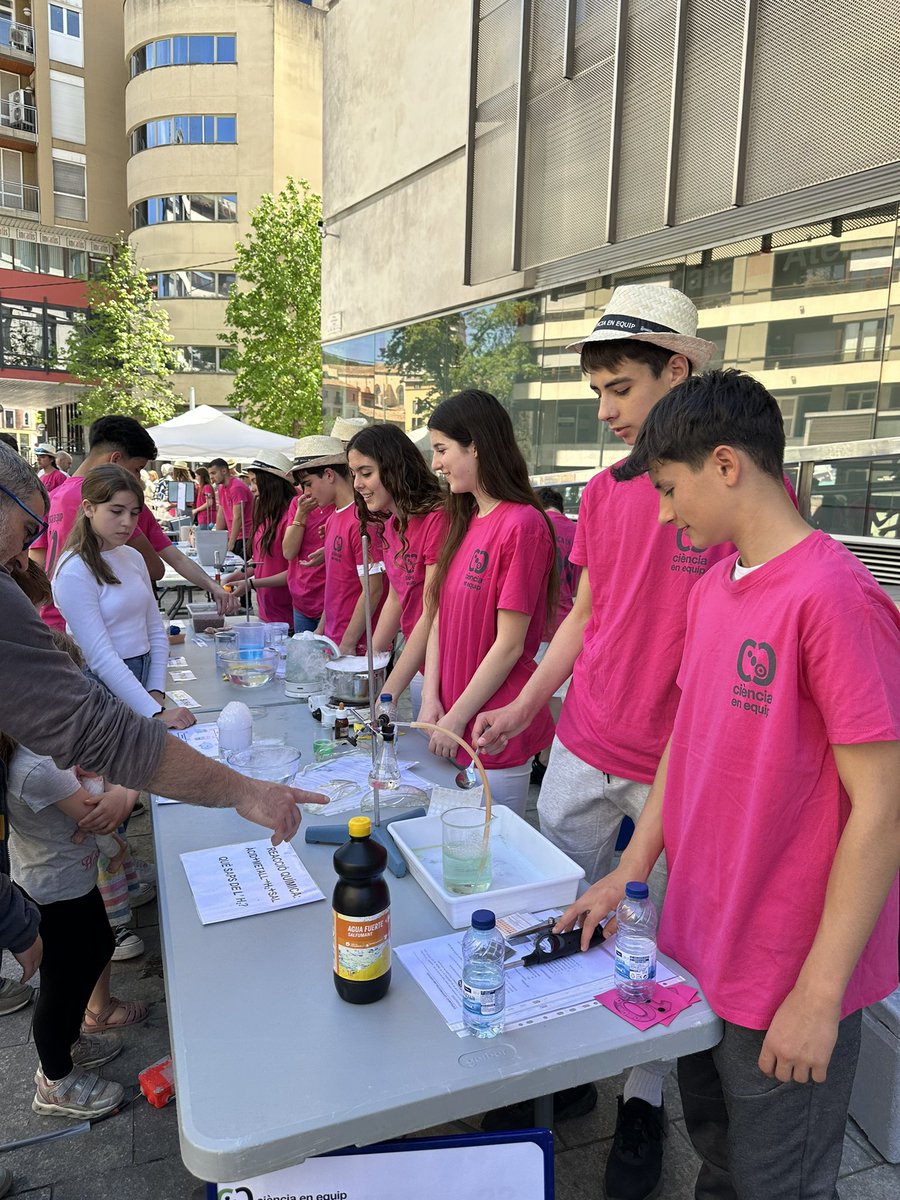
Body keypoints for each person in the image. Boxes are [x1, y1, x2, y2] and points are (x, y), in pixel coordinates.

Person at [560, 368, 899, 1200]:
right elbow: (687, 739)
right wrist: (629, 870)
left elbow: (884, 809)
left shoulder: (834, 597)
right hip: (698, 942)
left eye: (672, 490)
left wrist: (821, 995)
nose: (669, 514)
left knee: (779, 1181)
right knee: (716, 1152)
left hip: (786, 966)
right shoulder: (715, 588)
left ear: (725, 465)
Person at [473, 285, 725, 1194]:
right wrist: (524, 701)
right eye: (600, 394)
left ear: (679, 369)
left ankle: (642, 1103)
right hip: (584, 739)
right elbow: (583, 614)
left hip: (675, 761)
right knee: (562, 908)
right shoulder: (604, 493)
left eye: (621, 387)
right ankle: (565, 1075)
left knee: (652, 934)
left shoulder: (733, 483)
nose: (608, 410)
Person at [0, 445, 324, 1020]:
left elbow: (149, 630)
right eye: (25, 532)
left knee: (109, 846)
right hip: (111, 701)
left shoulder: (126, 560)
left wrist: (153, 699)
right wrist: (238, 785)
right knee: (91, 870)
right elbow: (94, 689)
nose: (24, 558)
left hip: (135, 697)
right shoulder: (70, 572)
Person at [4, 630, 149, 1120]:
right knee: (63, 983)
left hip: (74, 878)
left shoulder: (45, 747)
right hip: (51, 890)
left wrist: (111, 785)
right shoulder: (36, 766)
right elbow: (100, 812)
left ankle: (67, 1043)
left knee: (98, 947)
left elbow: (101, 783)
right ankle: (55, 1080)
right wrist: (125, 787)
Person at [422, 390, 557, 818]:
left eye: (442, 449)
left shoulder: (523, 524)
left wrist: (458, 718)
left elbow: (510, 645)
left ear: (476, 444)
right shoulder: (463, 520)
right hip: (449, 722)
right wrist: (430, 700)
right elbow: (440, 619)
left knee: (489, 861)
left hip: (489, 732)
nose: (436, 464)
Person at [30, 416, 237, 630]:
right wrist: (214, 586)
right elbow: (157, 567)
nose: (137, 478)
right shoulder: (115, 499)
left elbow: (36, 565)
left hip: (54, 623)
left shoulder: (51, 497)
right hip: (100, 626)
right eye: (137, 469)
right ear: (115, 459)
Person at [51, 465, 194, 728]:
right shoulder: (74, 570)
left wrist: (155, 692)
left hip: (143, 678)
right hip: (102, 685)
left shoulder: (133, 557)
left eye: (134, 513)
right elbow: (100, 656)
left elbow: (155, 629)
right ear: (89, 508)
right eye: (116, 511)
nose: (127, 522)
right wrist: (153, 711)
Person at [347, 423, 446, 714]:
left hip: (444, 664)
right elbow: (396, 597)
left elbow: (431, 611)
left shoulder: (437, 519)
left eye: (366, 473)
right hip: (420, 665)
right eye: (354, 475)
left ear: (395, 468)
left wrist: (386, 692)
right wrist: (368, 670)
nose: (357, 484)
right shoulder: (392, 524)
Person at [290, 439, 385, 656]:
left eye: (308, 483)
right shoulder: (333, 518)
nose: (305, 493)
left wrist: (349, 643)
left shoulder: (362, 520)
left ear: (329, 475)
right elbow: (335, 586)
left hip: (358, 648)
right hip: (334, 640)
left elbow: (373, 588)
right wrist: (321, 631)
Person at [223, 453, 295, 624]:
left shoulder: (291, 520)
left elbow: (296, 573)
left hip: (287, 614)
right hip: (266, 611)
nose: (252, 488)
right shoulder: (265, 516)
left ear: (271, 482)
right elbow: (260, 561)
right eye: (251, 481)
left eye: (255, 481)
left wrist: (252, 584)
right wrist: (235, 576)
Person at [283, 436, 334, 634]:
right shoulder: (298, 504)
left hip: (328, 602)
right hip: (301, 600)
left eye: (308, 484)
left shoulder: (344, 507)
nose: (306, 492)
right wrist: (301, 514)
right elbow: (288, 552)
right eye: (302, 485)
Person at [210, 457, 253, 558]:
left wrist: (231, 542)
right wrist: (218, 538)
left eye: (213, 473)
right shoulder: (221, 487)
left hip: (245, 536)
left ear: (224, 471)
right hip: (233, 535)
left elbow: (238, 517)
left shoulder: (236, 487)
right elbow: (221, 513)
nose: (211, 477)